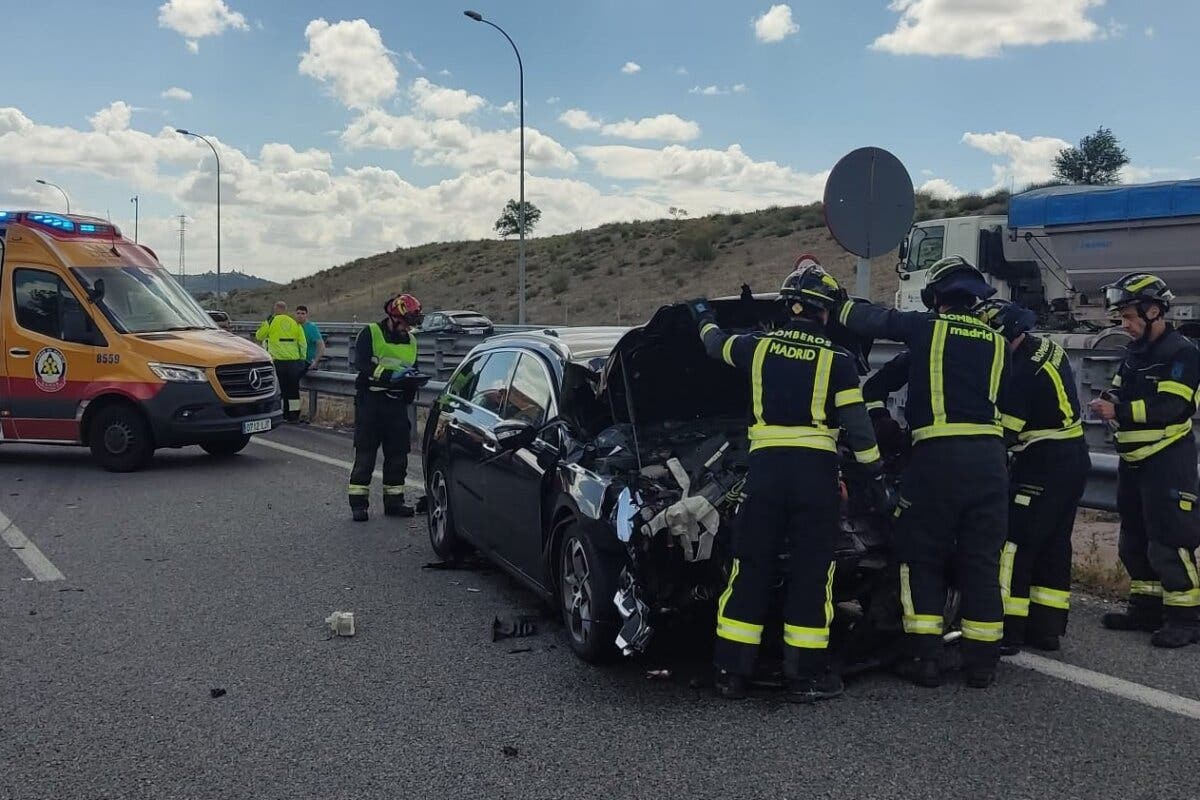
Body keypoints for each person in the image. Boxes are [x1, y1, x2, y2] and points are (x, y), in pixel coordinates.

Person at [689, 258, 883, 703]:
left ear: (789, 307)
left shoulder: (757, 348)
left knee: (750, 566)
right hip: (814, 479)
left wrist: (701, 318)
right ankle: (805, 675)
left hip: (765, 475)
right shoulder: (837, 362)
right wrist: (874, 476)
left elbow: (715, 345)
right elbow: (859, 430)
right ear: (822, 313)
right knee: (812, 572)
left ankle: (730, 673)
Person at [834, 255, 1009, 689]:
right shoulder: (998, 342)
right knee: (982, 561)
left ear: (935, 298)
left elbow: (871, 318)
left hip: (937, 460)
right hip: (990, 461)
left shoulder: (927, 330)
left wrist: (834, 302)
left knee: (921, 556)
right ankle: (982, 664)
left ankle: (925, 659)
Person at [1088, 273, 1200, 648]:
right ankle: (1146, 608)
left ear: (1154, 311)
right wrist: (1109, 397)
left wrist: (1118, 409)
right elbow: (1118, 386)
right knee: (1133, 540)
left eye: (1129, 316)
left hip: (1167, 459)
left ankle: (1186, 617)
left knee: (1169, 541)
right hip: (1134, 461)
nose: (1125, 324)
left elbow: (1173, 405)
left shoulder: (1182, 352)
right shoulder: (1134, 352)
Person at [975, 299, 1090, 653]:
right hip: (1073, 456)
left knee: (1016, 543)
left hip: (1042, 460)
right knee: (1054, 544)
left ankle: (1009, 630)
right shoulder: (1048, 348)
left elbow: (1004, 434)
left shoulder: (1019, 373)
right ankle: (1047, 629)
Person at [348, 293, 427, 522]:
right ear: (393, 317)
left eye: (411, 324)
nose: (408, 329)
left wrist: (412, 380)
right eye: (405, 323)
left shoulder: (411, 340)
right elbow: (362, 364)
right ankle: (358, 505)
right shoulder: (370, 333)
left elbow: (413, 366)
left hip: (396, 404)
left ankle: (394, 502)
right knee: (366, 455)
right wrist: (391, 376)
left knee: (398, 455)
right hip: (370, 403)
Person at [256, 301, 307, 423]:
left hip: (278, 362)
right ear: (285, 309)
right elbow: (302, 343)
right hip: (294, 362)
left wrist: (266, 324)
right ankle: (294, 416)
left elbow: (259, 336)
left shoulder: (271, 321)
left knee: (280, 390)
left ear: (275, 309)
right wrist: (302, 360)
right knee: (294, 391)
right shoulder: (294, 322)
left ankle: (281, 413)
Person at [295, 305, 326, 374]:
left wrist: (315, 361)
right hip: (294, 360)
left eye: (303, 313)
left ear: (306, 315)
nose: (300, 315)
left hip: (307, 361)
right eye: (298, 313)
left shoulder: (311, 327)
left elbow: (321, 346)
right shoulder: (293, 327)